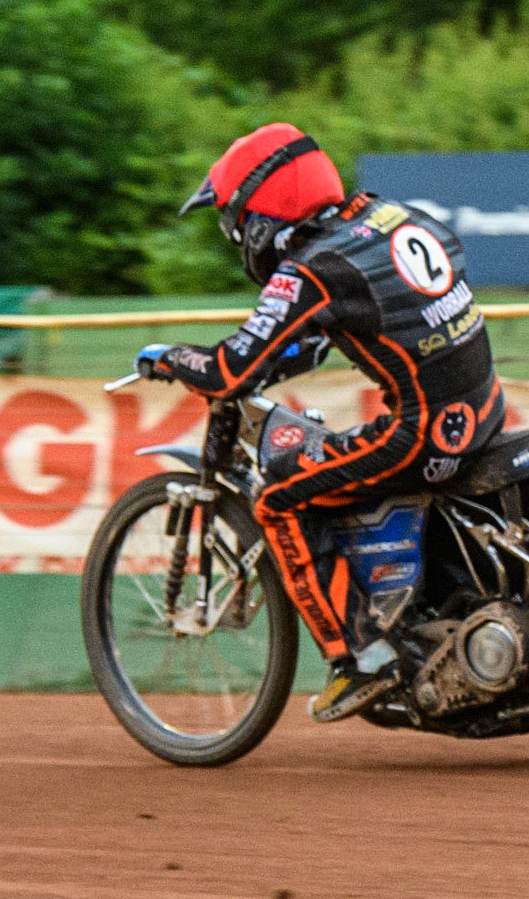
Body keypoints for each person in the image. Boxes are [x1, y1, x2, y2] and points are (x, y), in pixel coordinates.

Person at [142, 122, 505, 722]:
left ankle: (359, 660)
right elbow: (328, 336)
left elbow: (230, 371)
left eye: (234, 223)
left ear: (259, 217)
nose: (237, 238)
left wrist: (169, 357)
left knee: (279, 498)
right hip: (485, 409)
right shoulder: (390, 218)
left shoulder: (311, 270)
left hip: (422, 436)